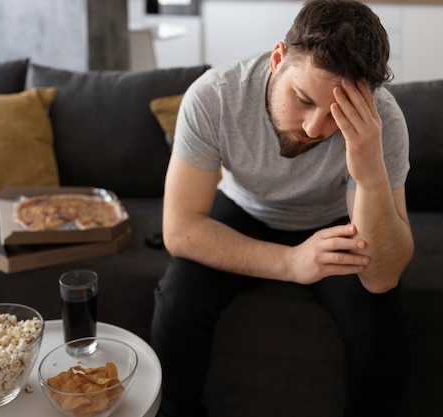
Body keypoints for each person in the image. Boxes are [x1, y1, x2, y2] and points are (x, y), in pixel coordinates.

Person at [150, 1, 414, 416]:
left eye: (336, 115)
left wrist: (371, 175)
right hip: (245, 208)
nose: (313, 129)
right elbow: (180, 230)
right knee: (177, 298)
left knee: (380, 321)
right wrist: (290, 262)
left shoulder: (384, 123)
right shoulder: (214, 96)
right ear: (277, 59)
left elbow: (383, 276)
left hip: (337, 219)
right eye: (303, 99)